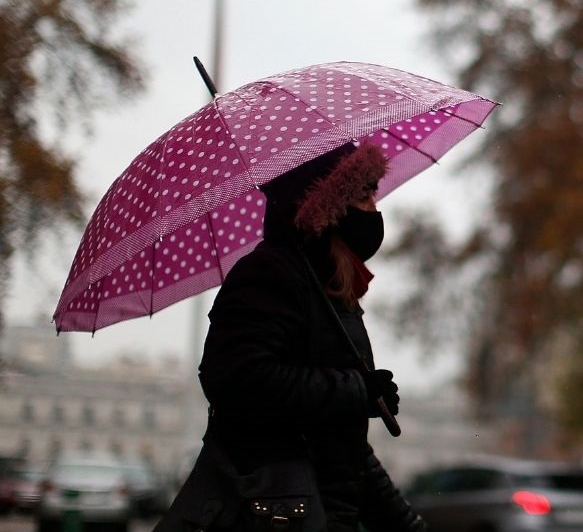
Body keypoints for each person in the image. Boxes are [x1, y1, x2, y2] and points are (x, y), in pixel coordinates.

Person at [156, 142, 427, 532]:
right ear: (326, 208)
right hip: (278, 514)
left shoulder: (330, 289)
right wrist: (354, 391)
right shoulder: (269, 274)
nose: (374, 208)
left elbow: (348, 455)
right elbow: (237, 379)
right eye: (364, 193)